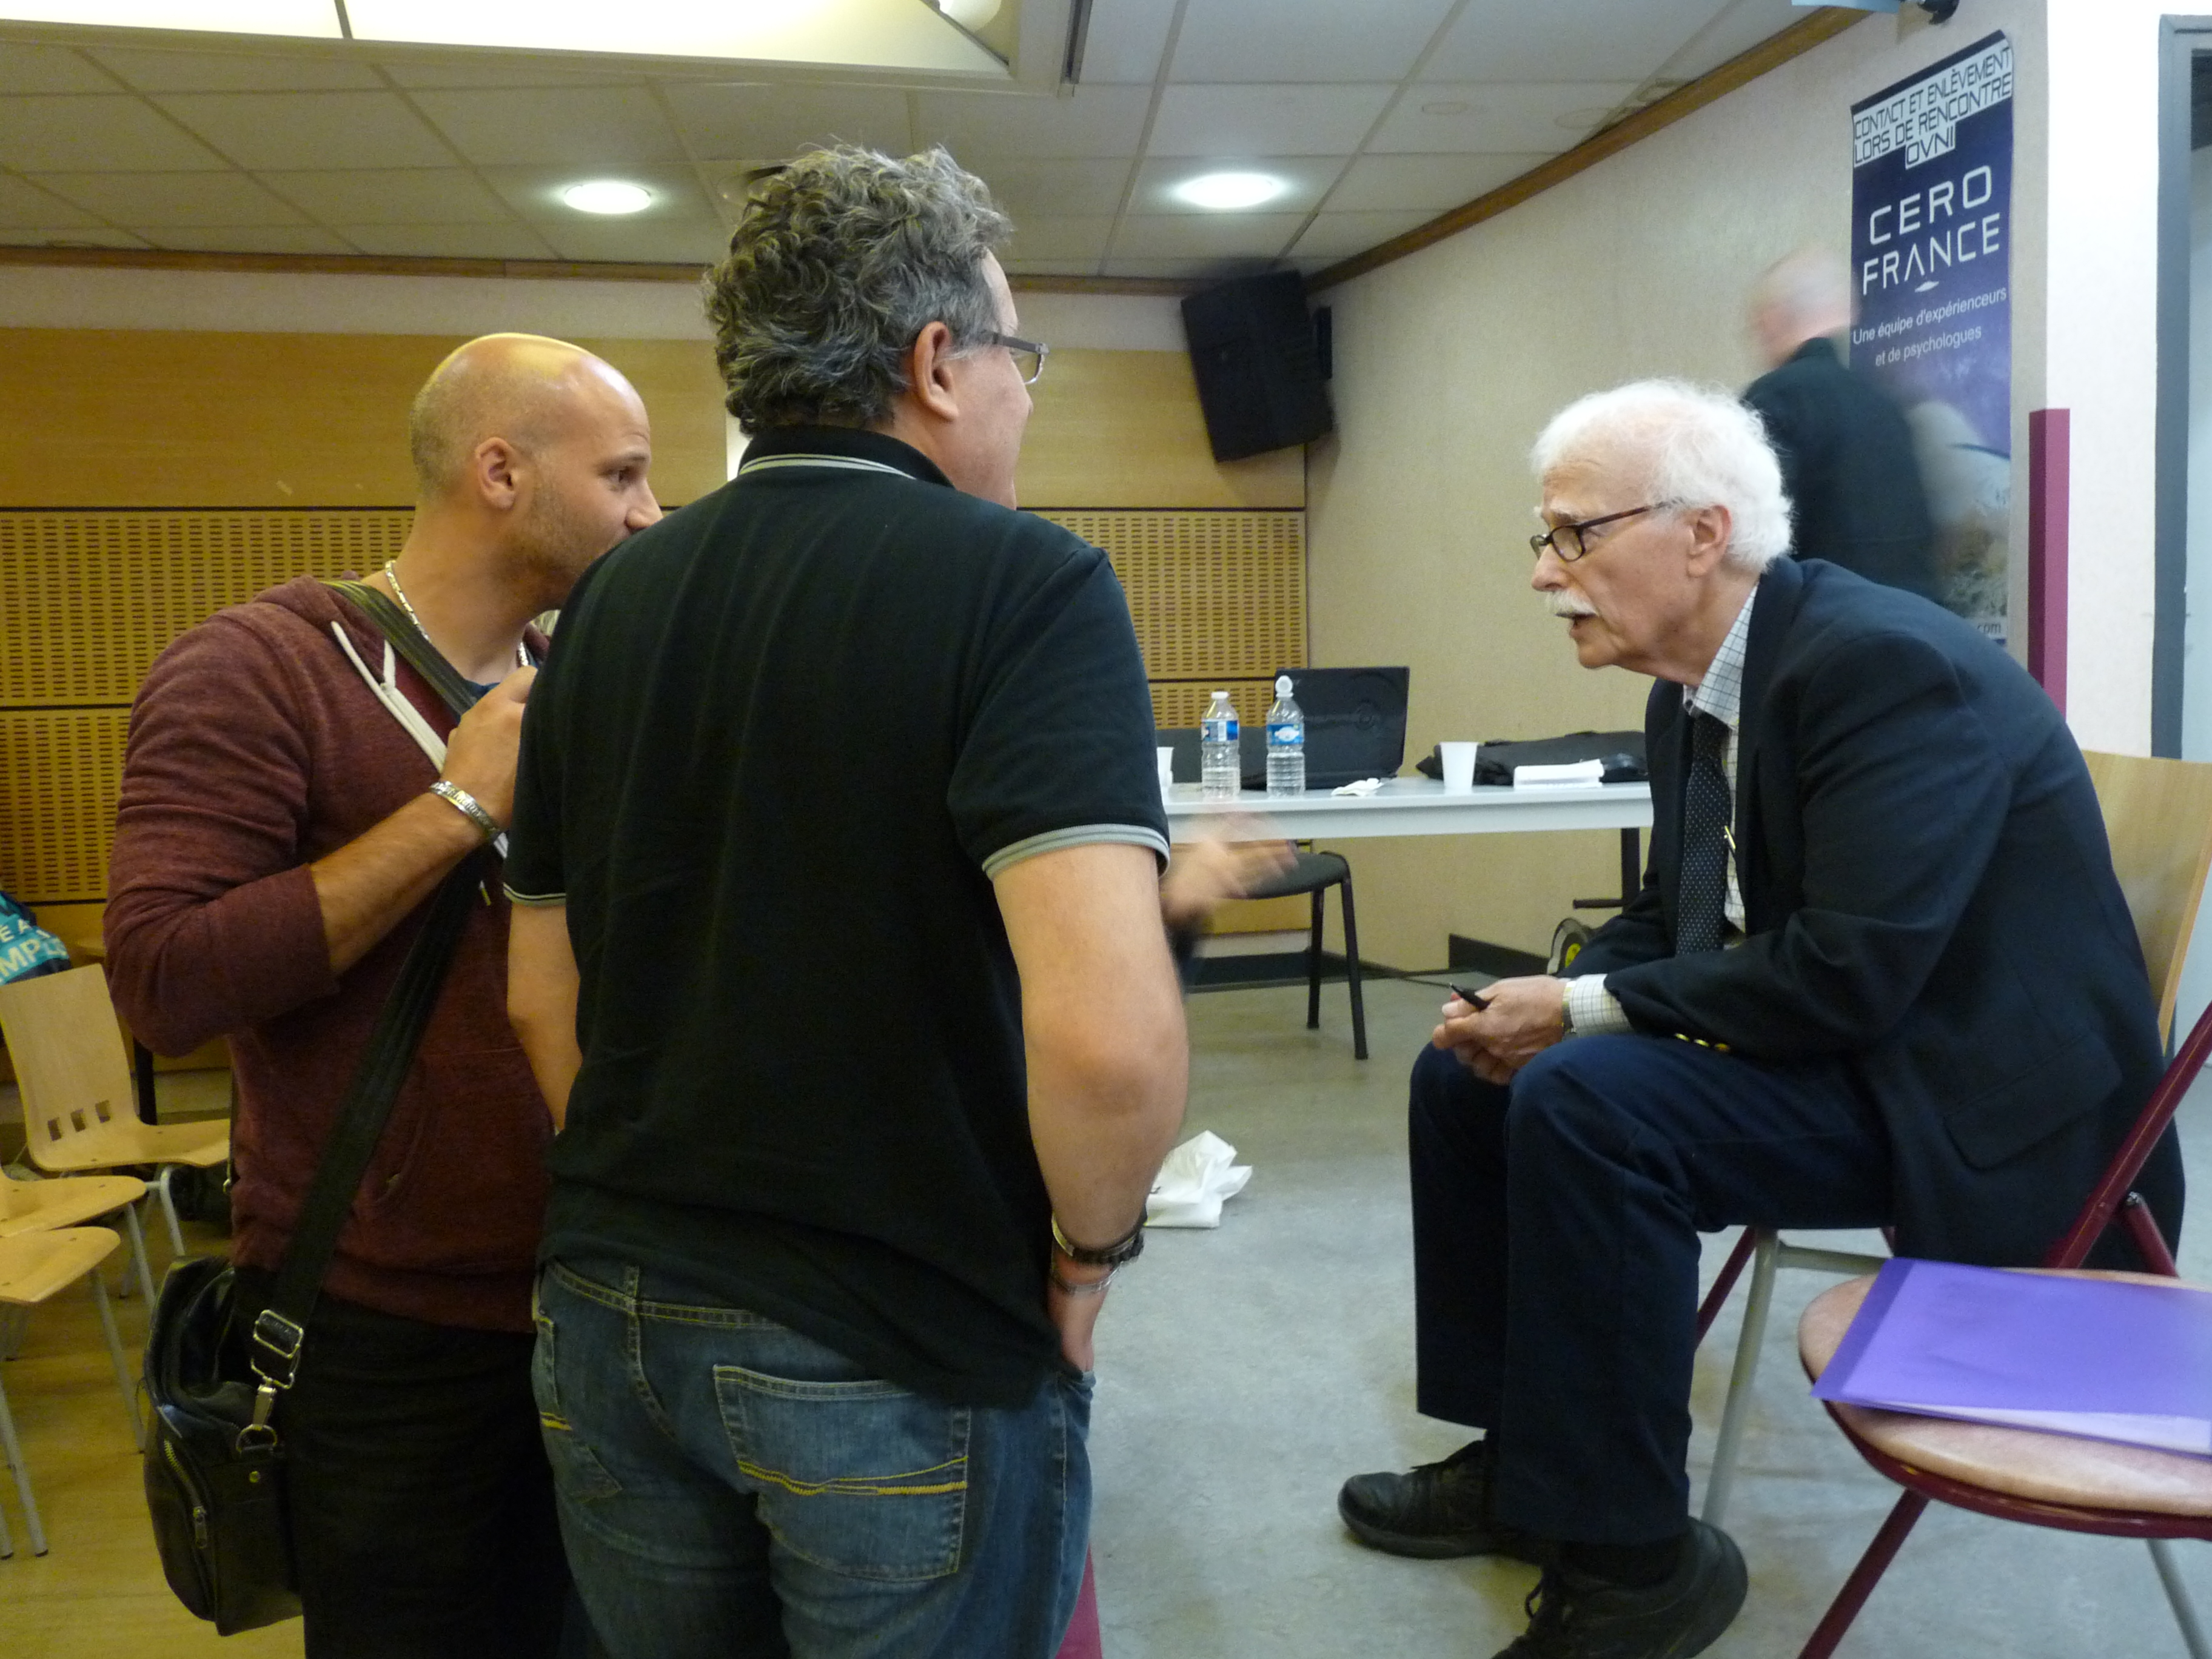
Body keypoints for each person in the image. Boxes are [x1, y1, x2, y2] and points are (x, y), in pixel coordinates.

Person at [1336, 380, 2176, 1659]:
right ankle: (1526, 1464)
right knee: (1470, 1073)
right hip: (1861, 1050)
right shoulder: (1695, 686)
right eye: (1544, 539)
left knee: (1589, 1102)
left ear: (1701, 532)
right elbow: (1682, 921)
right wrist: (1538, 1001)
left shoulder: (1879, 667)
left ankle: (1633, 1565)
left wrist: (1578, 1010)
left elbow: (1848, 971)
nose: (1544, 573)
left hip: (1974, 1104)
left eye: (1574, 534)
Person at [502, 146, 1190, 1659]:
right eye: (1019, 355)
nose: (1025, 390)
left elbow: (541, 996)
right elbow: (1112, 1048)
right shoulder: (1029, 585)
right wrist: (1088, 1256)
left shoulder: (611, 600)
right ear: (938, 362)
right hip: (894, 1328)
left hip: (612, 1310)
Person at [106, 333, 661, 1658]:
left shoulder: (574, 677)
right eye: (627, 473)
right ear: (501, 471)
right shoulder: (259, 668)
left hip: (589, 1302)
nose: (651, 511)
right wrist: (459, 806)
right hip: (387, 1336)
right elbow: (165, 980)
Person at [1742, 247, 1940, 600]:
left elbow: (1751, 543)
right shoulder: (1888, 406)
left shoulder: (1775, 398)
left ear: (1773, 318)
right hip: (1915, 628)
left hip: (1824, 631)